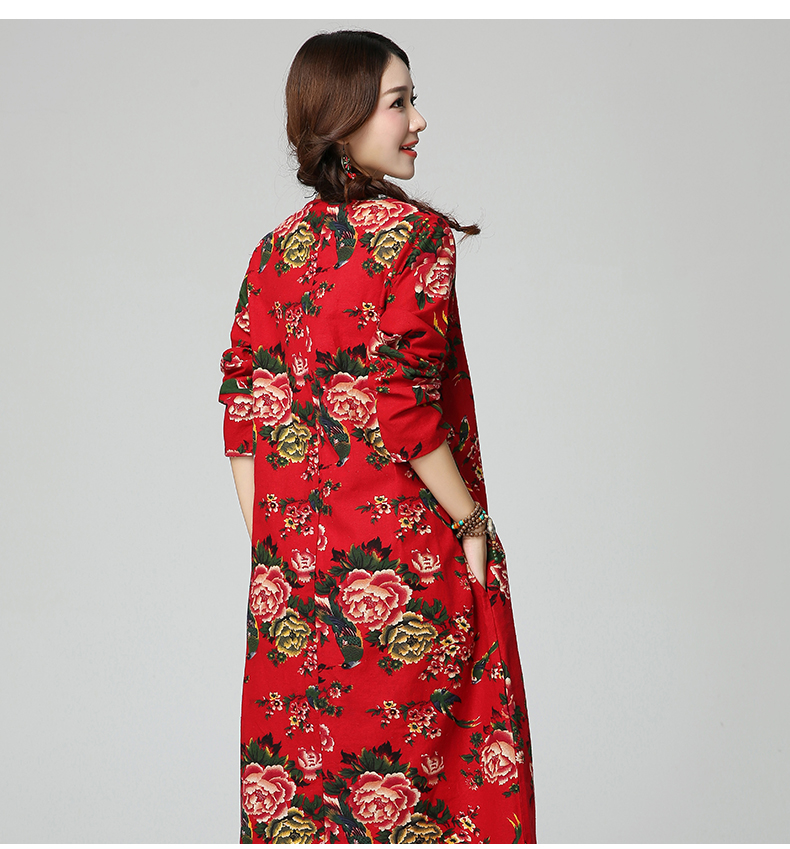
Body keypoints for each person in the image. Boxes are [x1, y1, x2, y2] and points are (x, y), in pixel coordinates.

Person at [218, 29, 536, 844]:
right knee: (437, 803)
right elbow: (403, 406)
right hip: (403, 581)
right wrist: (472, 523)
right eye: (400, 103)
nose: (419, 121)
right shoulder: (416, 237)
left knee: (309, 810)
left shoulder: (272, 253)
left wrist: (281, 556)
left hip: (295, 604)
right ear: (347, 117)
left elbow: (243, 422)